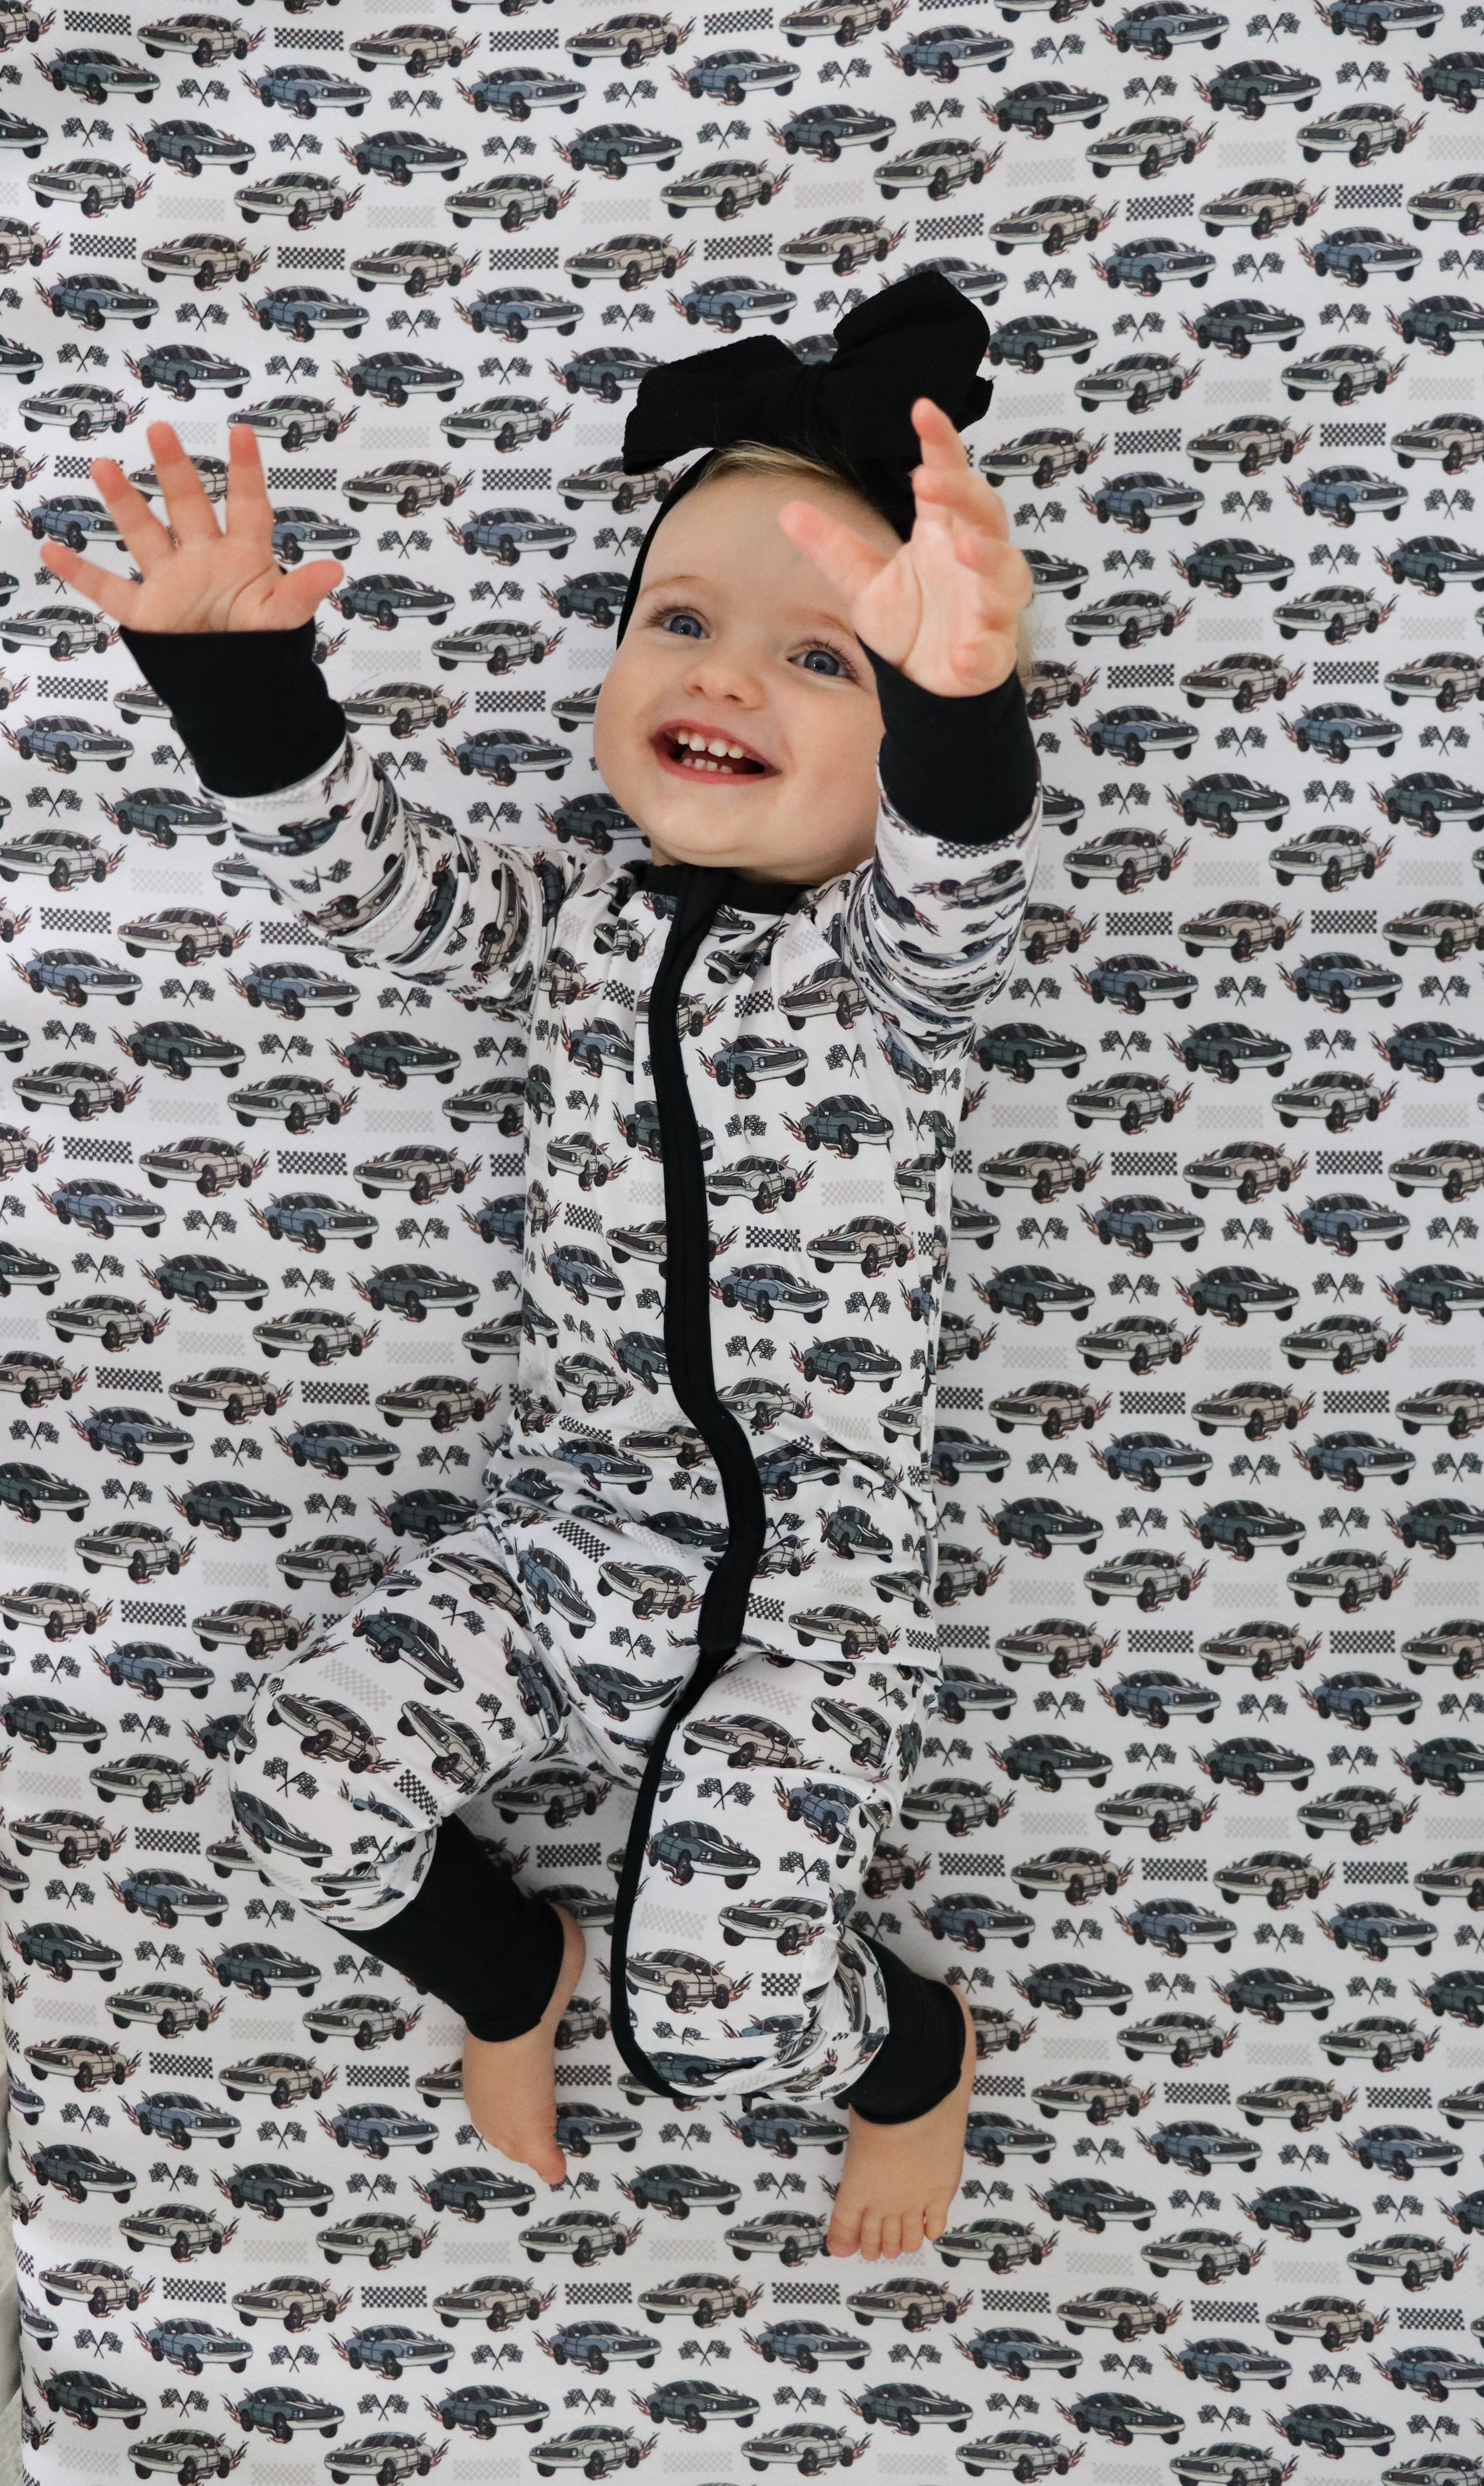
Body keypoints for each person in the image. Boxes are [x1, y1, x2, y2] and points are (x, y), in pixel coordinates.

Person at [44, 273, 1040, 2263]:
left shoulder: (887, 972)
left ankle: (905, 2049)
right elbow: (372, 877)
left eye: (821, 658)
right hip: (564, 1535)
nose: (725, 679)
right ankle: (510, 1970)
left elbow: (960, 856)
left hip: (805, 1599)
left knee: (728, 2020)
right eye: (679, 622)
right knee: (295, 1785)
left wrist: (954, 697)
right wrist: (238, 680)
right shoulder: (574, 924)